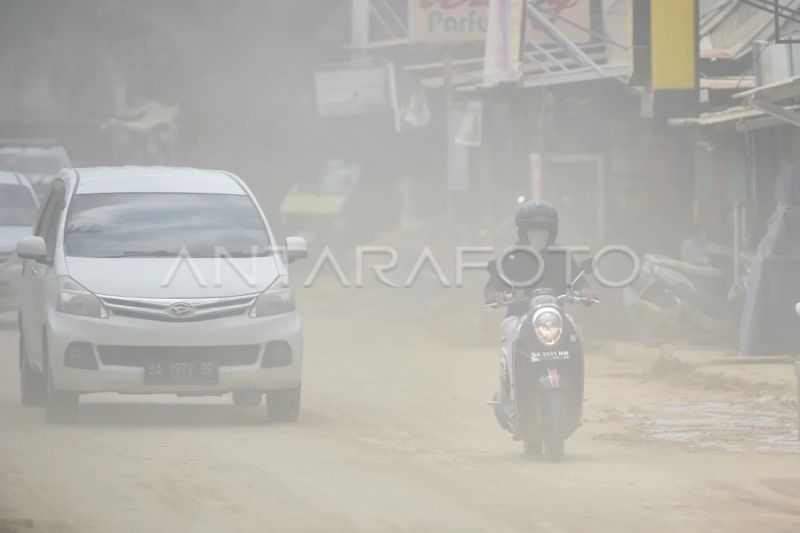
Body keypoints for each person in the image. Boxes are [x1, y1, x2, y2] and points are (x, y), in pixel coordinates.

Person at [484, 200, 591, 311]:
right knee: (508, 328)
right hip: (517, 318)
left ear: (552, 232)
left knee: (575, 328)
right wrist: (494, 295)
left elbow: (579, 281)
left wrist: (586, 291)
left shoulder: (562, 256)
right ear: (523, 232)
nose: (539, 236)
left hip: (556, 318)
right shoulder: (510, 258)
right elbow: (493, 285)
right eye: (533, 231)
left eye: (544, 231)